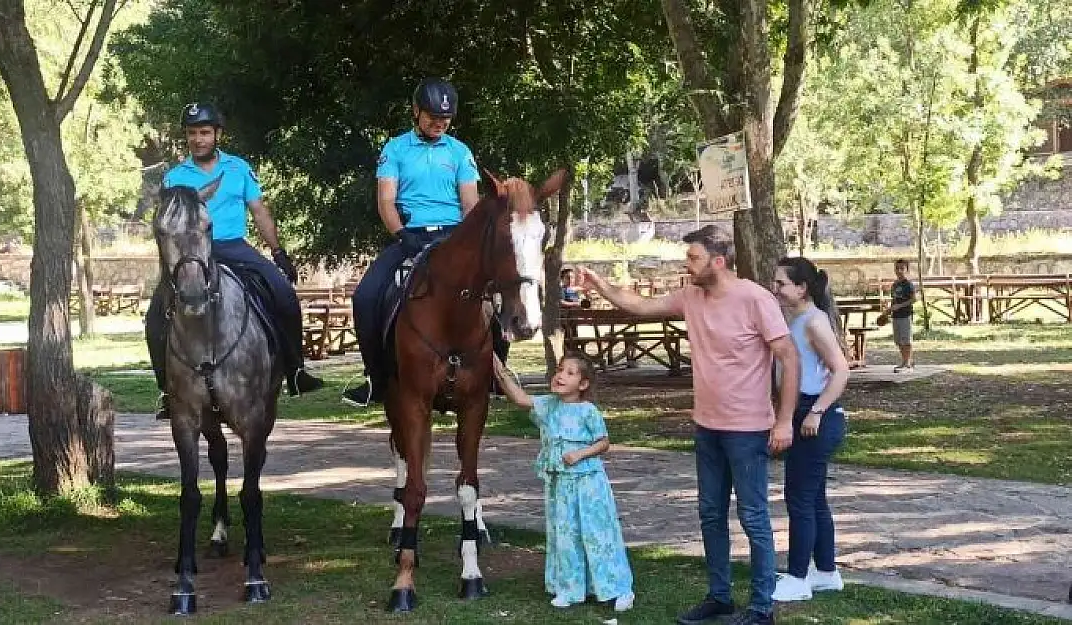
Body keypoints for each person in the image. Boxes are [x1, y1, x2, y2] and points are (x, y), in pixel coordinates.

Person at [577, 225, 799, 625]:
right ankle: (720, 597)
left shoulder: (755, 298)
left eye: (693, 258)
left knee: (753, 517)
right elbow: (641, 306)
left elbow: (789, 356)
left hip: (748, 429)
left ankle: (762, 606)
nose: (687, 264)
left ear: (718, 261)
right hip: (706, 426)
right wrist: (602, 286)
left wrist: (784, 421)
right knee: (711, 515)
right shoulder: (690, 296)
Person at [146, 103, 324, 420]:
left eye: (204, 132)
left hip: (233, 246)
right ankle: (167, 390)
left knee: (283, 293)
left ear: (217, 134)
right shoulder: (174, 177)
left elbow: (259, 211)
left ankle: (296, 370)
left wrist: (278, 252)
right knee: (154, 318)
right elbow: (166, 226)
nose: (198, 139)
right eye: (192, 134)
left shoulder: (239, 169)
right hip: (190, 255)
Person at [342, 78, 482, 407]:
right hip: (410, 235)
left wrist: (469, 243)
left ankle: (494, 375)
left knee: (496, 293)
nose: (439, 123)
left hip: (454, 236)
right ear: (416, 111)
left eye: (445, 119)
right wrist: (402, 235)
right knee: (365, 297)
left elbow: (471, 205)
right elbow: (386, 201)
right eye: (432, 116)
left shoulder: (460, 152)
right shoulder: (395, 149)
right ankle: (375, 379)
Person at [492, 352, 635, 612]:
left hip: (588, 484)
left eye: (570, 373)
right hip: (561, 486)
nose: (560, 376)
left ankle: (618, 588)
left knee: (597, 534)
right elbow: (521, 399)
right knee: (565, 535)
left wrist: (580, 454)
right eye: (559, 370)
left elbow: (604, 442)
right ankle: (570, 588)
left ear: (583, 385)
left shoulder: (587, 411)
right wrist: (500, 371)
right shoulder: (549, 405)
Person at [769, 257, 849, 602]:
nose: (776, 289)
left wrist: (817, 411)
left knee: (799, 498)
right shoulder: (798, 319)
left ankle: (799, 577)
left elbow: (842, 370)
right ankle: (827, 572)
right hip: (802, 411)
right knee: (813, 498)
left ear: (801, 288)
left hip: (814, 414)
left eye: (781, 283)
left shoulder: (814, 322)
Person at [888, 259, 917, 372]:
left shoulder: (908, 284)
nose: (899, 271)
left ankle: (908, 362)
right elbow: (894, 299)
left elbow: (914, 299)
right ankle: (905, 360)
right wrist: (889, 310)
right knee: (898, 340)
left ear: (907, 270)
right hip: (895, 315)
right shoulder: (894, 285)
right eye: (897, 268)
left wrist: (900, 306)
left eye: (902, 268)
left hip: (905, 315)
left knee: (906, 340)